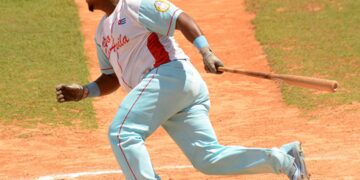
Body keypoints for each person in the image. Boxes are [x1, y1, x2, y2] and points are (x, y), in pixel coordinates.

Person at [56, 0, 310, 179]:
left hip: (169, 76)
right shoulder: (102, 32)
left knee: (122, 133)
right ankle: (284, 159)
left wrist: (206, 51)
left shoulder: (135, 5)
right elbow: (110, 78)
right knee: (208, 159)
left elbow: (180, 18)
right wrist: (85, 91)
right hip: (169, 93)